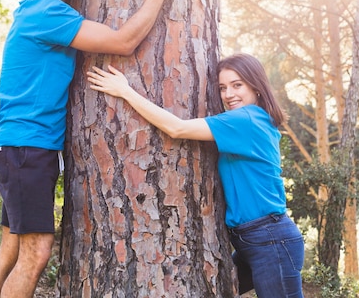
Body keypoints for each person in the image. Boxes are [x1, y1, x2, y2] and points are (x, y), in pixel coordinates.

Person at [0, 0, 190, 296]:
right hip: (26, 149)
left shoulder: (33, 12)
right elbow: (124, 42)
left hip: (15, 146)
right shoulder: (47, 12)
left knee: (10, 251)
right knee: (35, 254)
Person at [87, 53, 305, 297]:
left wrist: (126, 92)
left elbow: (176, 128)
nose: (229, 94)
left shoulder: (246, 119)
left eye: (237, 85)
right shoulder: (253, 119)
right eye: (223, 88)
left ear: (256, 85)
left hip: (269, 239)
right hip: (255, 239)